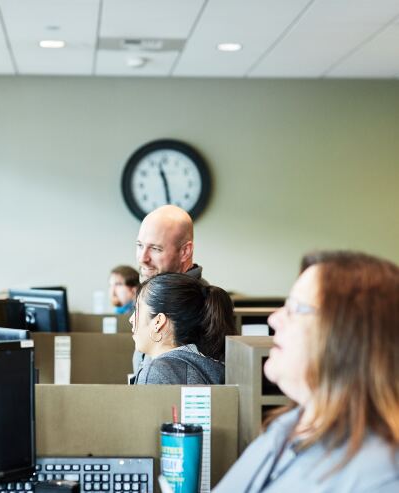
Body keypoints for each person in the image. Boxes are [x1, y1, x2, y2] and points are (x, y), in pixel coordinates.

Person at [214, 251, 399, 492]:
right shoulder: (287, 426)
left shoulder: (380, 477)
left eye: (295, 309)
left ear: (345, 337)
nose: (274, 319)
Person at [132, 205, 208, 373]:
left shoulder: (199, 306)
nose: (142, 258)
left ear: (185, 252)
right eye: (139, 245)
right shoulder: (158, 294)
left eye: (155, 248)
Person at [130, 273, 234, 385]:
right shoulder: (214, 368)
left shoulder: (157, 372)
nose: (131, 319)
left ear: (158, 322)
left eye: (137, 310)